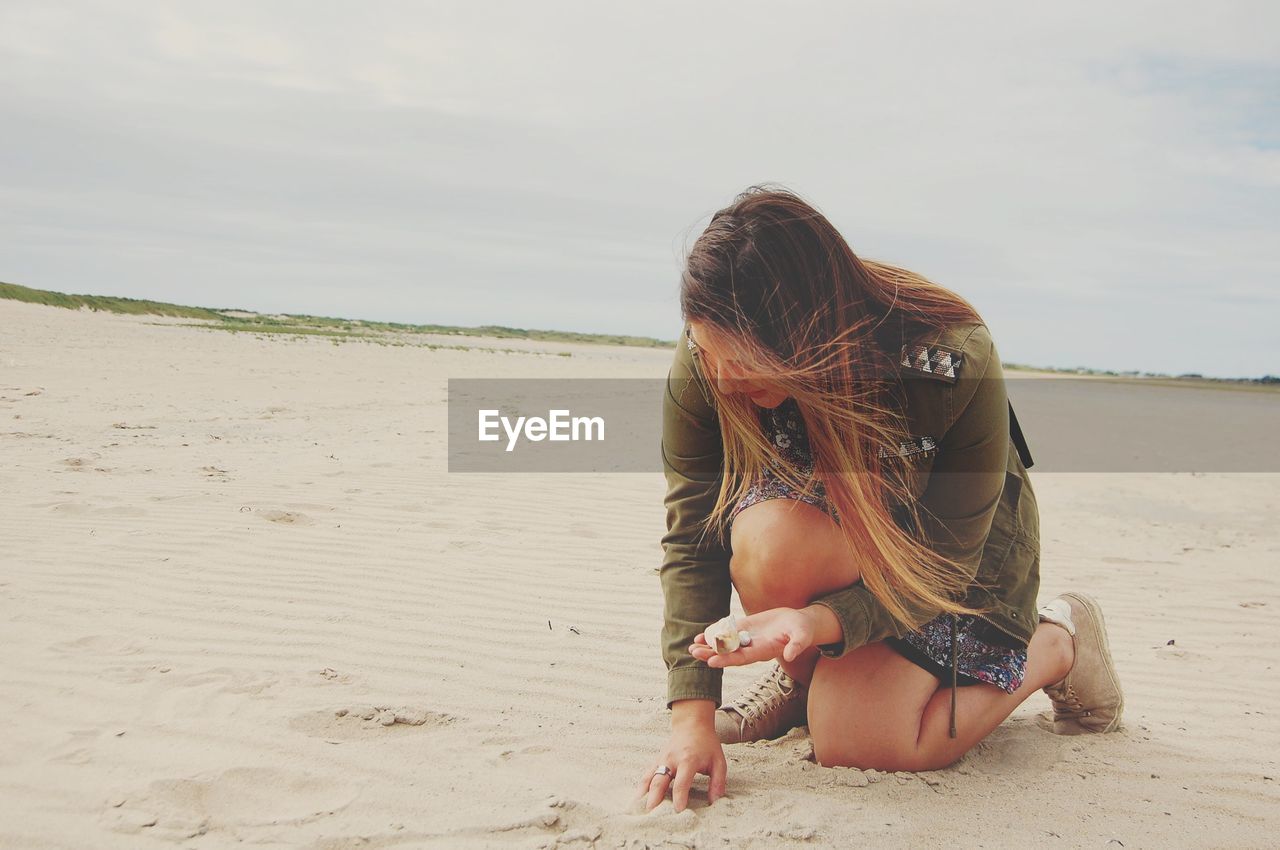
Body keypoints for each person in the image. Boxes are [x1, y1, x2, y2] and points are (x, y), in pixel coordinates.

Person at [638, 187, 1124, 813]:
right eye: (709, 355)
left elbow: (949, 559)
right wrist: (691, 721)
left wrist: (816, 621)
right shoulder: (713, 351)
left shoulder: (950, 359)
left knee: (861, 741)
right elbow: (694, 536)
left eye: (748, 363)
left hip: (950, 563)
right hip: (833, 541)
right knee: (768, 547)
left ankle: (1058, 642)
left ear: (810, 338)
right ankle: (810, 680)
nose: (724, 379)